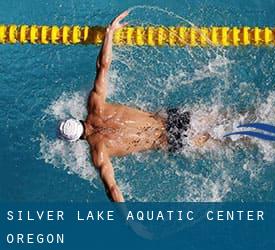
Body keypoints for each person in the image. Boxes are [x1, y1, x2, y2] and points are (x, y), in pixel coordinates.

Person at [58, 11, 210, 202]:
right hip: (172, 118)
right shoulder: (95, 105)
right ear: (76, 119)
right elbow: (103, 66)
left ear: (76, 140)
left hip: (171, 140)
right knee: (226, 118)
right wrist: (109, 33)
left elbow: (112, 189)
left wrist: (131, 223)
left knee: (228, 141)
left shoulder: (99, 152)